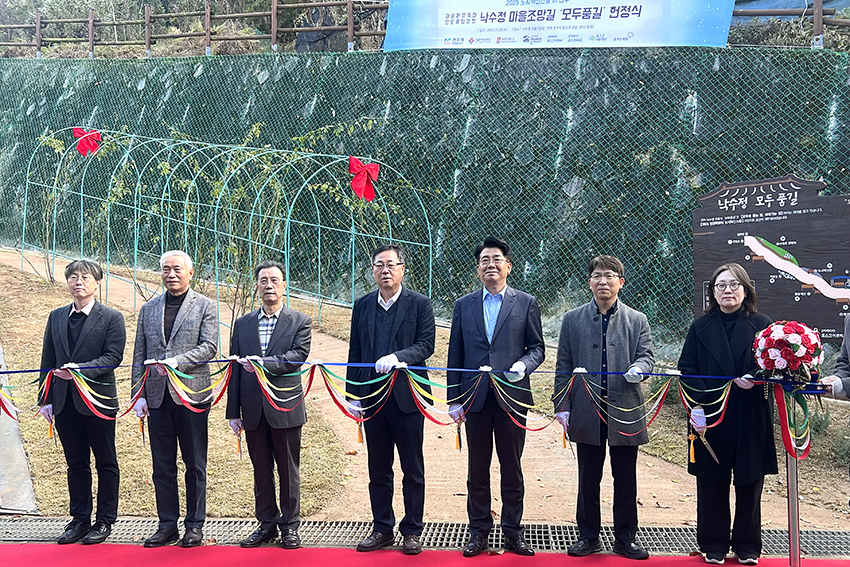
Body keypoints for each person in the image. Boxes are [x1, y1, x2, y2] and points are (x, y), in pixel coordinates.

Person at [447, 236, 545, 557]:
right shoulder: (463, 306)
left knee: (511, 467)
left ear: (508, 266)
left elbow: (538, 349)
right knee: (477, 468)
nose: (491, 264)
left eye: (497, 259)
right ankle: (478, 532)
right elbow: (456, 356)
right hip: (474, 398)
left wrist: (523, 364)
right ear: (478, 269)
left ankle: (513, 532)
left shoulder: (526, 303)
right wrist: (454, 400)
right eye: (485, 260)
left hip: (512, 398)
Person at [553, 255, 654, 560]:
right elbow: (563, 365)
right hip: (586, 407)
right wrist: (562, 404)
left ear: (621, 282)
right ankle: (588, 536)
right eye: (597, 276)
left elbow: (647, 356)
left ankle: (625, 538)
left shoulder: (637, 320)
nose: (603, 282)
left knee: (625, 478)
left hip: (625, 408)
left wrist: (640, 367)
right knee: (588, 476)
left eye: (610, 276)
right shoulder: (572, 320)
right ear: (590, 283)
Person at [677, 262, 775, 566]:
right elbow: (687, 371)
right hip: (710, 414)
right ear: (713, 293)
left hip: (750, 412)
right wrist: (697, 407)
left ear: (746, 290)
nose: (728, 290)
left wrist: (757, 376)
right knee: (711, 480)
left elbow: (773, 366)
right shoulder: (700, 327)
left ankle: (747, 545)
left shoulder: (763, 325)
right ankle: (713, 543)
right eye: (721, 285)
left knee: (749, 481)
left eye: (734, 284)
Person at [346, 244, 435, 555]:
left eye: (391, 265)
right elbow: (355, 352)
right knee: (378, 468)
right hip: (373, 399)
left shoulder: (420, 304)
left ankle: (412, 530)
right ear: (372, 271)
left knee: (413, 467)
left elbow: (426, 345)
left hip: (408, 398)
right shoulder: (362, 305)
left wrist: (399, 357)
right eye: (379, 266)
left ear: (402, 269)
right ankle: (382, 527)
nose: (385, 271)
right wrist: (353, 395)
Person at [131, 250, 218, 548]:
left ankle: (194, 525)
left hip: (191, 396)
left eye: (177, 269)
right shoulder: (149, 308)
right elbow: (139, 354)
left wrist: (177, 361)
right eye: (166, 269)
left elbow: (209, 347)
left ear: (190, 273)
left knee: (195, 464)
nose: (171, 274)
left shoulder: (205, 305)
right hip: (156, 397)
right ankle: (167, 524)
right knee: (162, 466)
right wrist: (137, 394)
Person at [37, 260, 126, 545]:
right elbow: (48, 360)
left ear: (97, 282)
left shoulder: (111, 317)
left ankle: (104, 521)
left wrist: (80, 370)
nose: (79, 282)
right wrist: (45, 399)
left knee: (106, 462)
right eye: (73, 277)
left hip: (98, 400)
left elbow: (113, 357)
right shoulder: (56, 316)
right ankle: (79, 519)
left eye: (85, 277)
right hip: (64, 401)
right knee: (75, 463)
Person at [226, 260, 312, 549]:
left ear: (284, 285)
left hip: (285, 406)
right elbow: (235, 368)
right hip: (252, 410)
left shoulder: (300, 321)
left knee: (288, 470)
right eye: (263, 281)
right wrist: (233, 412)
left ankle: (290, 526)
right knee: (261, 470)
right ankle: (266, 524)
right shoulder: (242, 324)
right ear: (257, 286)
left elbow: (296, 356)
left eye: (275, 280)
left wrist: (263, 364)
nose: (269, 285)